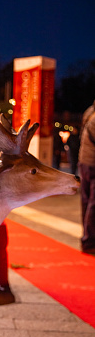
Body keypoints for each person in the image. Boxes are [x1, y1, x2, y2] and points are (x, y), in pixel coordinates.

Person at [79, 104, 95, 254]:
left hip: (84, 161)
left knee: (86, 200)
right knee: (93, 203)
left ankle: (86, 236)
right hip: (92, 164)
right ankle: (89, 240)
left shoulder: (89, 111)